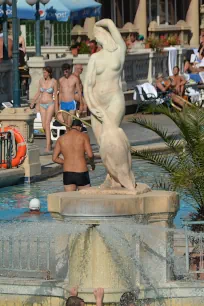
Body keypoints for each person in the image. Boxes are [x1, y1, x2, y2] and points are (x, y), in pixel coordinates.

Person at [52, 119, 95, 192]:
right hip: (81, 171)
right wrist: (92, 164)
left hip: (68, 173)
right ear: (80, 127)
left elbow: (54, 158)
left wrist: (66, 162)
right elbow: (90, 155)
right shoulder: (84, 136)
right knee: (85, 200)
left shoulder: (61, 138)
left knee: (69, 200)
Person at [31, 66, 58, 152]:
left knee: (47, 124)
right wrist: (33, 101)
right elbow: (38, 92)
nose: (44, 74)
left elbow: (56, 96)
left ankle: (48, 146)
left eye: (45, 72)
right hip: (42, 104)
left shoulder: (54, 82)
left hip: (50, 104)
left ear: (49, 73)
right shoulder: (41, 81)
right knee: (43, 126)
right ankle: (49, 142)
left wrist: (57, 109)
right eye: (43, 72)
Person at [58, 63, 82, 127]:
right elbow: (60, 93)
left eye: (66, 71)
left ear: (70, 70)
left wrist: (81, 104)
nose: (65, 73)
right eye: (63, 71)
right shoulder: (61, 80)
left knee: (70, 123)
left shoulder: (75, 79)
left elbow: (79, 92)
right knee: (66, 124)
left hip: (72, 103)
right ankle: (68, 134)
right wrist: (59, 104)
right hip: (63, 103)